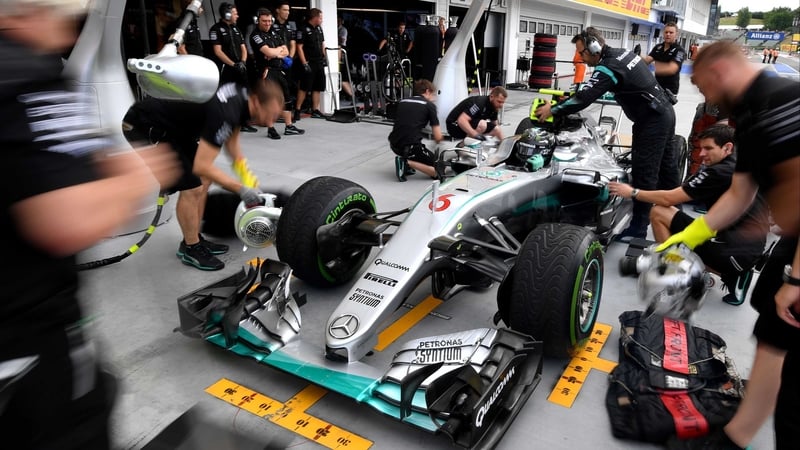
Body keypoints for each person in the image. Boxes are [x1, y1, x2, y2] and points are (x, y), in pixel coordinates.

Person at [0, 2, 181, 447]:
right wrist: (137, 173)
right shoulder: (25, 73)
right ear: (28, 13)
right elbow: (66, 220)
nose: (67, 36)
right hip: (26, 345)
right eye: (64, 21)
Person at [658, 40, 799, 450]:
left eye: (704, 87)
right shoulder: (750, 117)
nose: (707, 98)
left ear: (718, 72)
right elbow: (739, 194)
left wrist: (797, 279)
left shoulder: (783, 103)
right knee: (772, 335)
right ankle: (737, 438)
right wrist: (688, 236)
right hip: (792, 241)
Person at [122, 79, 284, 271]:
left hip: (175, 129)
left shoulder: (243, 99)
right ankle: (191, 248)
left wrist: (248, 179)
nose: (271, 122)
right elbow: (202, 166)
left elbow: (232, 146)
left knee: (204, 181)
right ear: (256, 102)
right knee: (192, 187)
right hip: (145, 124)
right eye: (270, 114)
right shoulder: (226, 112)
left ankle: (194, 239)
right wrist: (241, 189)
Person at [535, 27, 678, 240]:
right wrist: (569, 100)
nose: (580, 58)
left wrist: (552, 110)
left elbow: (585, 98)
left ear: (594, 47)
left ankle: (638, 228)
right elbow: (588, 91)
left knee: (644, 173)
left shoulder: (609, 66)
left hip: (652, 121)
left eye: (582, 52)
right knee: (667, 168)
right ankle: (675, 216)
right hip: (664, 113)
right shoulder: (622, 53)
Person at [609, 124, 768, 305]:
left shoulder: (719, 172)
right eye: (701, 148)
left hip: (733, 253)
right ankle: (729, 272)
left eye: (708, 148)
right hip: (750, 248)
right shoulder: (741, 163)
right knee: (664, 214)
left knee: (660, 213)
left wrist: (632, 192)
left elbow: (668, 198)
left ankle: (676, 271)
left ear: (727, 147)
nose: (701, 154)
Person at [250, 9, 304, 139]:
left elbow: (286, 51)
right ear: (258, 21)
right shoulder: (255, 35)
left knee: (287, 98)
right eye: (264, 21)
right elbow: (268, 52)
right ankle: (271, 128)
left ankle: (289, 126)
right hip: (266, 71)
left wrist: (276, 52)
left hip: (279, 70)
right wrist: (276, 52)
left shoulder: (274, 32)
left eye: (269, 21)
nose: (267, 23)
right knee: (269, 100)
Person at [209, 3, 257, 133]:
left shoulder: (236, 29)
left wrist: (243, 62)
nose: (237, 16)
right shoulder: (216, 29)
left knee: (244, 94)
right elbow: (218, 51)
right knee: (227, 95)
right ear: (227, 15)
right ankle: (226, 122)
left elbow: (243, 47)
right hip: (227, 68)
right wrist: (233, 64)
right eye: (235, 13)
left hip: (240, 67)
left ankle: (244, 122)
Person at [388, 79, 444, 181]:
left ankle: (407, 163)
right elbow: (437, 136)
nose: (434, 98)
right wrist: (440, 141)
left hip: (394, 144)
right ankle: (406, 162)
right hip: (411, 147)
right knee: (439, 171)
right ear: (427, 91)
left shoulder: (403, 101)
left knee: (414, 145)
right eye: (433, 94)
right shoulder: (429, 105)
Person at [294, 8, 327, 121]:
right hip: (308, 62)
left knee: (318, 87)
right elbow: (299, 47)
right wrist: (304, 63)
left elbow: (322, 44)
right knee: (304, 87)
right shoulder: (302, 29)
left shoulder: (319, 28)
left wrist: (325, 57)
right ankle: (297, 110)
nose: (321, 20)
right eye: (320, 17)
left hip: (319, 62)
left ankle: (315, 110)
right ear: (314, 18)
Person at [643, 22, 686, 95]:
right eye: (666, 32)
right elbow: (647, 60)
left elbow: (672, 69)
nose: (668, 34)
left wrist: (654, 66)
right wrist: (637, 55)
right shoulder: (658, 47)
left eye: (671, 32)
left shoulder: (680, 50)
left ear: (676, 34)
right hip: (657, 87)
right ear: (663, 33)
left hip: (670, 90)